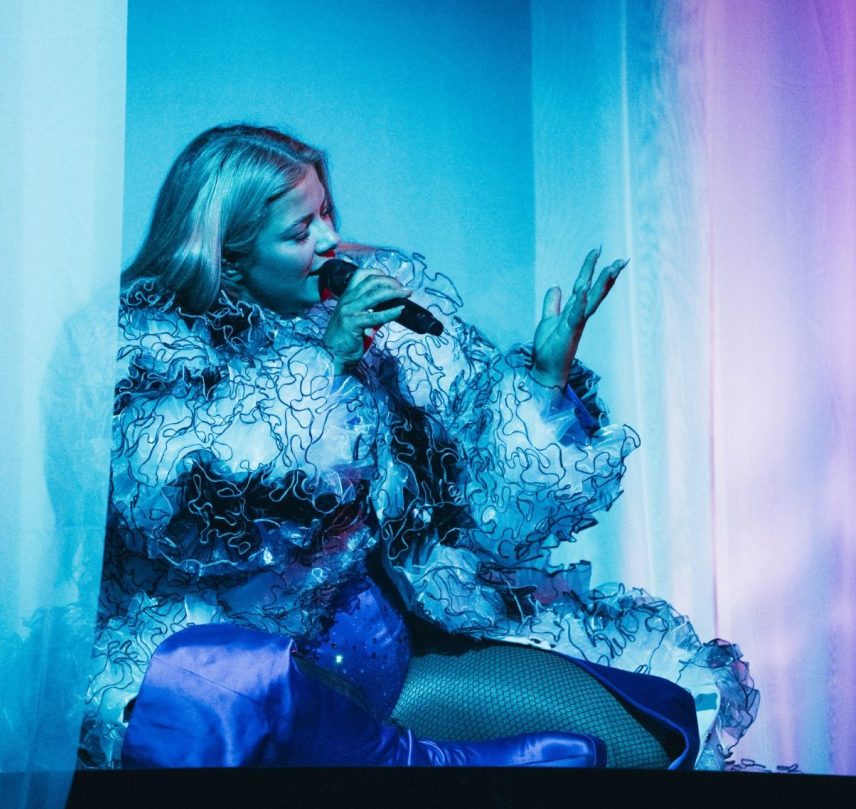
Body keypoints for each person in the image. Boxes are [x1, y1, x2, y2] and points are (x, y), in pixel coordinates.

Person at [80, 124, 757, 770]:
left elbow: (489, 515)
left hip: (398, 658)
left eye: (326, 211)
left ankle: (413, 762)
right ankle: (419, 765)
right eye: (300, 231)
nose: (331, 239)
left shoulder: (387, 324)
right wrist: (328, 363)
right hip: (261, 675)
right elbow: (189, 505)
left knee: (652, 735)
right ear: (229, 255)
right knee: (222, 704)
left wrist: (545, 382)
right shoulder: (149, 344)